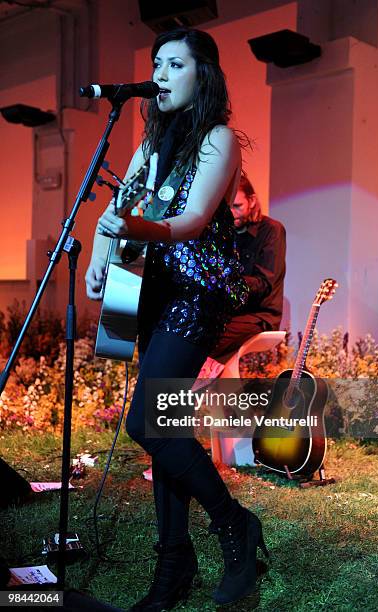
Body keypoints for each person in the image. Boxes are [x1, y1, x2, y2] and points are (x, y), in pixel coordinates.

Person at [85, 27, 268, 611]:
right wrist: (97, 254)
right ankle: (172, 566)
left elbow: (189, 220)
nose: (159, 74)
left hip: (196, 297)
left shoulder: (218, 139)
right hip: (154, 295)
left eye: (174, 64)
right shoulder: (151, 141)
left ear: (202, 74)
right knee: (165, 429)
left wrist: (131, 229)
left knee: (145, 423)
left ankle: (234, 522)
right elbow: (117, 206)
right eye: (156, 63)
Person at [210, 173, 286, 361]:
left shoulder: (271, 230)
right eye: (228, 208)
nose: (232, 213)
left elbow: (264, 283)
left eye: (237, 206)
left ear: (252, 201)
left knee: (209, 338)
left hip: (259, 315)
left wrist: (224, 282)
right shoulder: (226, 232)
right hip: (232, 313)